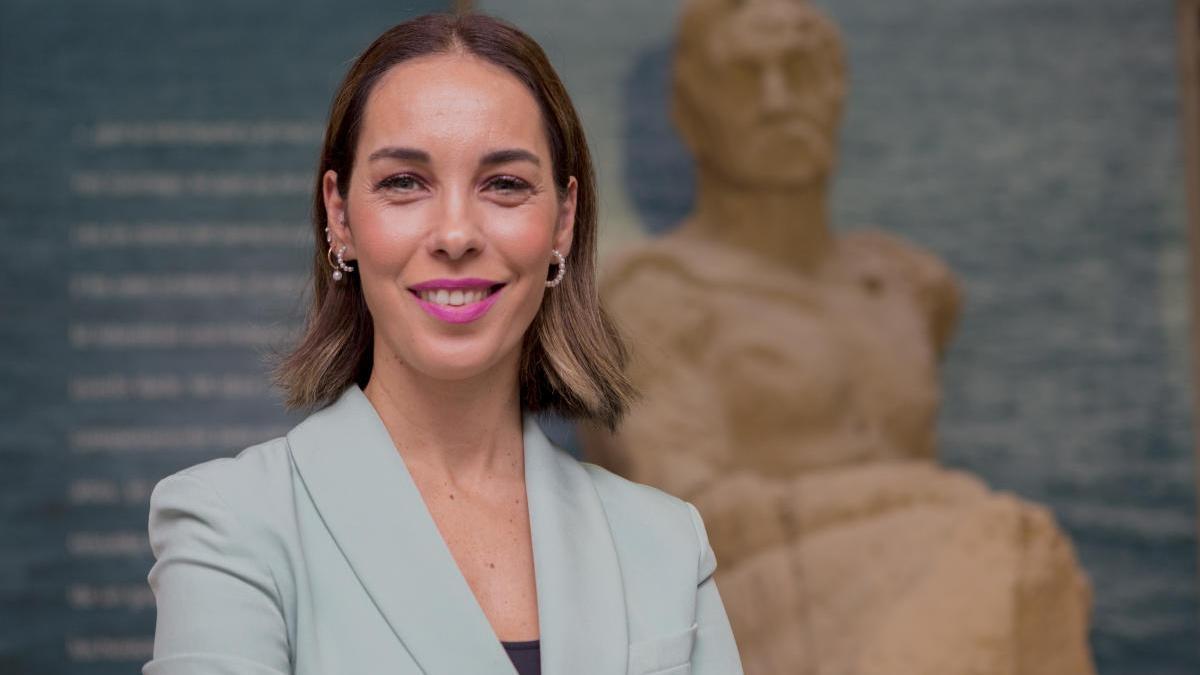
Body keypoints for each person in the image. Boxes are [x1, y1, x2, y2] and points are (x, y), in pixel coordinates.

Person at [141, 12, 744, 675]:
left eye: (504, 184)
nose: (455, 234)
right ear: (339, 216)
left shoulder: (666, 542)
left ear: (563, 222)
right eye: (405, 182)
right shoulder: (229, 524)